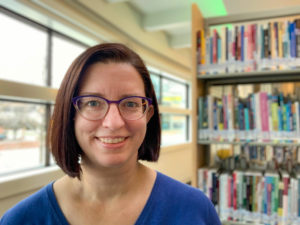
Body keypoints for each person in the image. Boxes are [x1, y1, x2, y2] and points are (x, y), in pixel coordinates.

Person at [0, 43, 221, 225]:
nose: (113, 122)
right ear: (69, 115)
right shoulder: (20, 220)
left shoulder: (195, 209)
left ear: (148, 114)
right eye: (93, 103)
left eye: (131, 103)